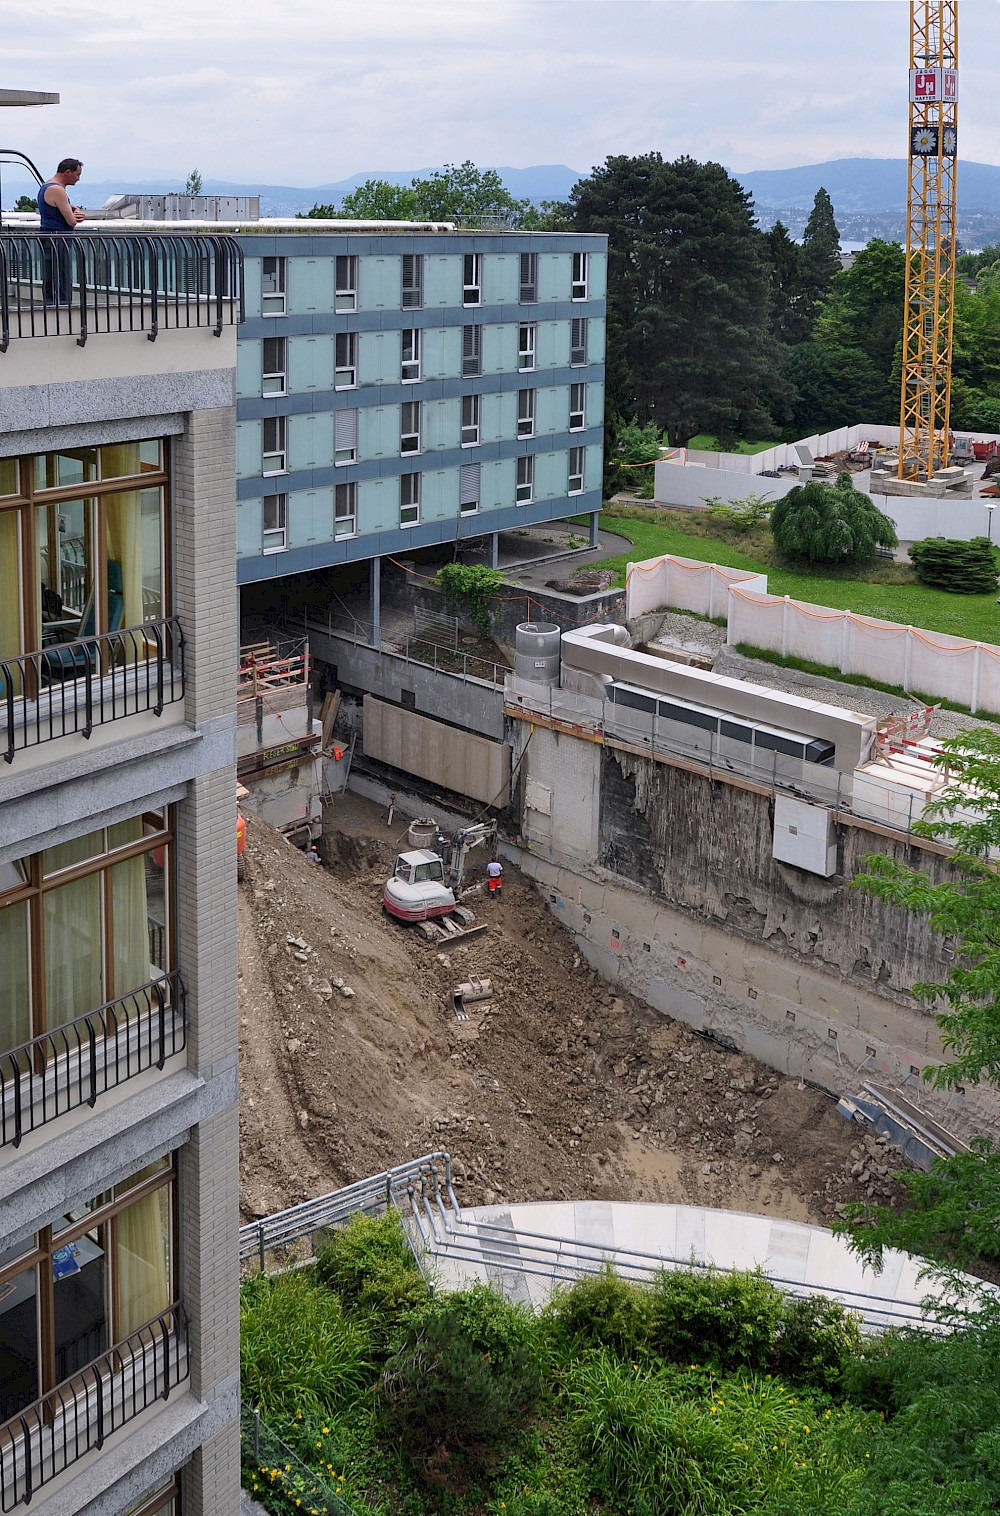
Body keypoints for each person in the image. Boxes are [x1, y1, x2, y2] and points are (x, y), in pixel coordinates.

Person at [37, 158, 85, 305]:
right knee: (62, 274)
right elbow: (71, 221)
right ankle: (62, 304)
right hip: (58, 238)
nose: (78, 179)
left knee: (50, 273)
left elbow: (66, 207)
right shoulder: (58, 190)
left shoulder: (47, 186)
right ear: (67, 172)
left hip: (48, 236)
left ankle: (51, 302)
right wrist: (76, 215)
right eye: (77, 174)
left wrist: (74, 210)